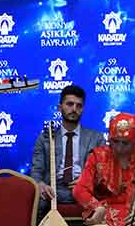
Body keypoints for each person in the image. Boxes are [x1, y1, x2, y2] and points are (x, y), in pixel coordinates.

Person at [29, 84, 105, 212]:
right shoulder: (46, 138)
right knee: (36, 201)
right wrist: (40, 184)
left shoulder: (96, 138)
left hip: (85, 189)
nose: (74, 109)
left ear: (83, 109)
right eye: (70, 104)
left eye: (79, 106)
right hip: (53, 190)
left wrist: (87, 181)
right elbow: (36, 171)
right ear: (60, 107)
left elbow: (103, 172)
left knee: (105, 202)